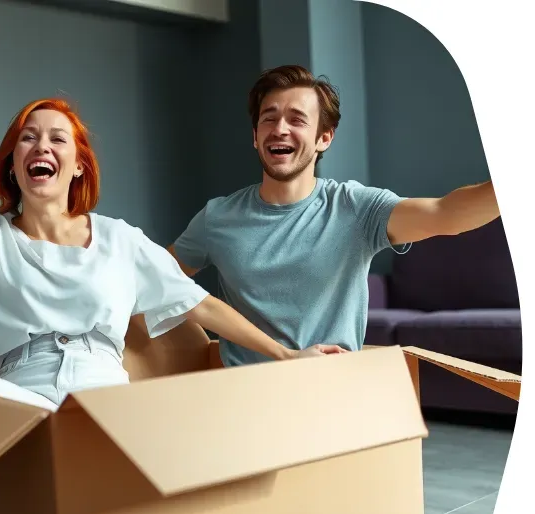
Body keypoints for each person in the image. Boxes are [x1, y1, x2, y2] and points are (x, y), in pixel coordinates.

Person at [0, 98, 344, 412]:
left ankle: (85, 450)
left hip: (102, 394)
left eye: (57, 139)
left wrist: (286, 355)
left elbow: (199, 303)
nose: (41, 146)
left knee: (177, 415)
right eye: (28, 138)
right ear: (12, 162)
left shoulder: (120, 240)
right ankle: (52, 452)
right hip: (21, 401)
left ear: (79, 164)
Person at [168, 65, 501, 369]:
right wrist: (192, 339)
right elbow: (157, 281)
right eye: (269, 118)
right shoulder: (217, 218)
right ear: (255, 136)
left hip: (330, 390)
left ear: (323, 138)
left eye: (297, 120)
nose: (280, 128)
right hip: (246, 395)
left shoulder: (356, 208)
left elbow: (447, 214)